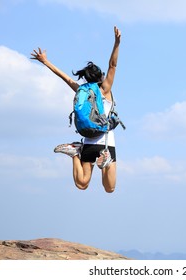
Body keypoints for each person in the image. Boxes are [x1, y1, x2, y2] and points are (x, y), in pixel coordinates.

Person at [30, 26, 121, 193]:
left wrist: (45, 61)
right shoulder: (105, 89)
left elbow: (63, 76)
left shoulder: (82, 90)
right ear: (101, 76)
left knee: (82, 184)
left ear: (86, 78)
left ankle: (74, 153)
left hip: (87, 141)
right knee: (110, 188)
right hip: (105, 142)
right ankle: (105, 161)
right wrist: (117, 43)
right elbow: (113, 65)